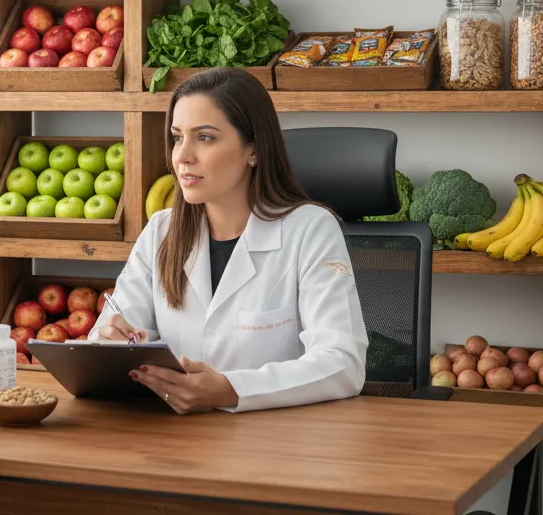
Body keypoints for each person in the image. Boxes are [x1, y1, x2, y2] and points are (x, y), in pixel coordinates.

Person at [90, 67, 367, 413]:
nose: (182, 156)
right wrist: (111, 344)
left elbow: (342, 364)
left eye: (204, 137)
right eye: (177, 137)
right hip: (176, 443)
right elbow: (104, 345)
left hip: (277, 446)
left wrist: (231, 389)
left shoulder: (310, 230)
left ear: (253, 147)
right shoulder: (161, 231)